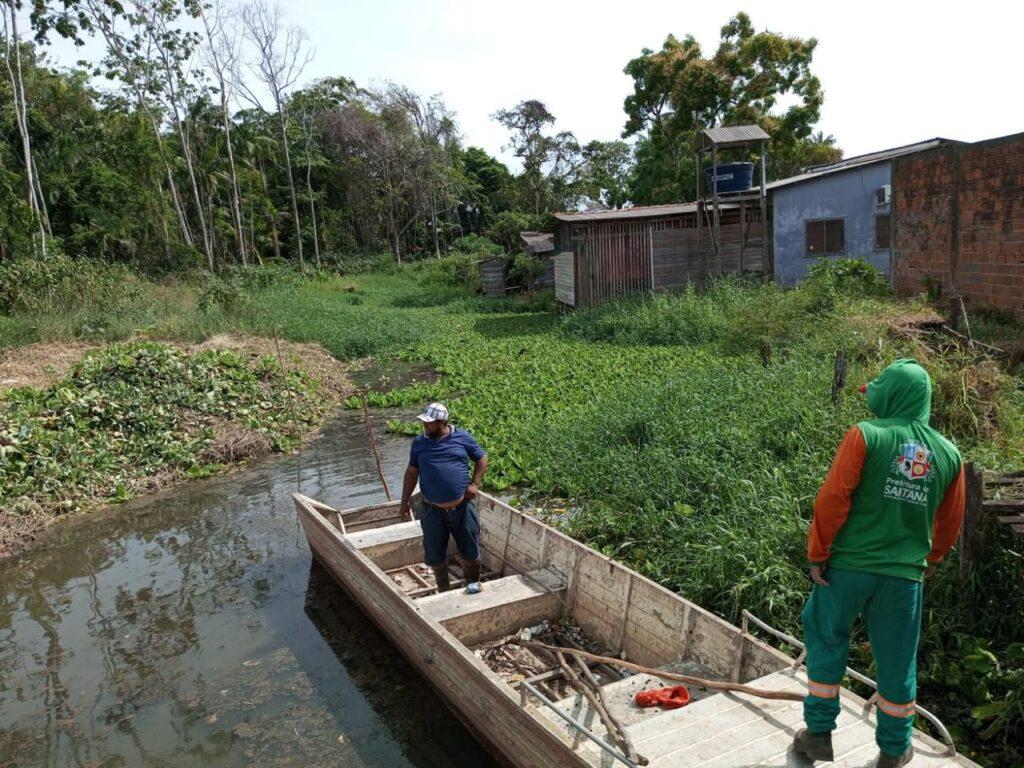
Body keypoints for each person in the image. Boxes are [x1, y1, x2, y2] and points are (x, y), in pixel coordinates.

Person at [793, 359, 965, 768]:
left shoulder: (866, 435)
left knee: (827, 637)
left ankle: (818, 735)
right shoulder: (949, 453)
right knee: (897, 658)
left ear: (890, 395)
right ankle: (894, 749)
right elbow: (949, 520)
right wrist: (933, 558)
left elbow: (833, 499)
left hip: (847, 569)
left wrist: (818, 552)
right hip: (904, 576)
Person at [400, 402, 488, 594]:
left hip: (462, 508)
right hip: (432, 511)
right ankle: (444, 591)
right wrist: (404, 502)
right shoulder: (419, 443)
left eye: (429, 423)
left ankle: (472, 585)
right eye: (424, 422)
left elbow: (482, 458)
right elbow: (412, 472)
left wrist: (475, 484)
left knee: (470, 552)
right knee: (435, 556)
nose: (425, 426)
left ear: (442, 422)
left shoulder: (462, 437)